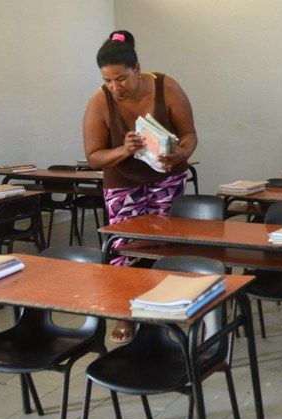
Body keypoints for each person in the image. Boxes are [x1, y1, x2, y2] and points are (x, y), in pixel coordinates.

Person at [83, 30, 197, 342]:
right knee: (124, 248)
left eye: (121, 78)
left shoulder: (166, 86)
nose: (114, 87)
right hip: (123, 182)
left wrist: (181, 153)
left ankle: (161, 309)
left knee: (163, 245)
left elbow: (189, 134)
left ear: (137, 68)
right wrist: (123, 150)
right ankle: (127, 314)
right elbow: (94, 157)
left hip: (165, 175)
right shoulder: (100, 101)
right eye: (108, 80)